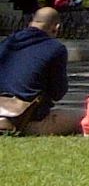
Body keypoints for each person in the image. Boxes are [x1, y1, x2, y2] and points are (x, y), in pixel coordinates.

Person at [0, 7, 79, 135]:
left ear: (31, 22)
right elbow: (58, 92)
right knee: (83, 117)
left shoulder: (7, 43)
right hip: (27, 117)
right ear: (56, 27)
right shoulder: (55, 48)